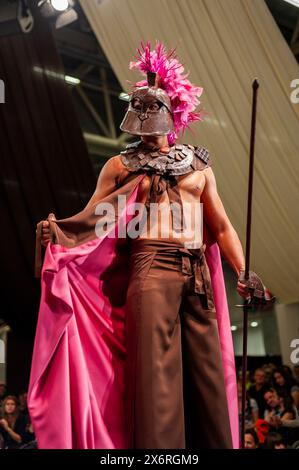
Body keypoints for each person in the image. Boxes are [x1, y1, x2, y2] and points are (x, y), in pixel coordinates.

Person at [29, 42, 271, 449]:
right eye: (138, 120)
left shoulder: (197, 165)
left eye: (151, 118)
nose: (144, 129)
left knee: (208, 373)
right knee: (155, 377)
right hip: (149, 267)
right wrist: (62, 233)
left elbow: (224, 227)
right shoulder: (120, 166)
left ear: (170, 117)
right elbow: (96, 220)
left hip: (196, 275)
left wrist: (242, 270)